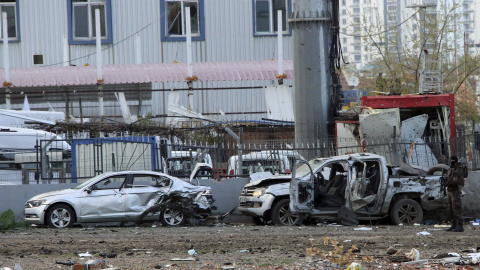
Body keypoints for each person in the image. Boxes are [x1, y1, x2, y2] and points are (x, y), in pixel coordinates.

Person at [444, 156, 465, 232]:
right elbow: (449, 178)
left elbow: (457, 181)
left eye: (453, 160)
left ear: (456, 160)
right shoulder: (451, 169)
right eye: (451, 159)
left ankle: (460, 226)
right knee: (451, 209)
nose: (451, 161)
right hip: (450, 190)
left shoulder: (458, 169)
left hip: (455, 191)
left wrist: (447, 183)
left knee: (457, 208)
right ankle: (454, 225)